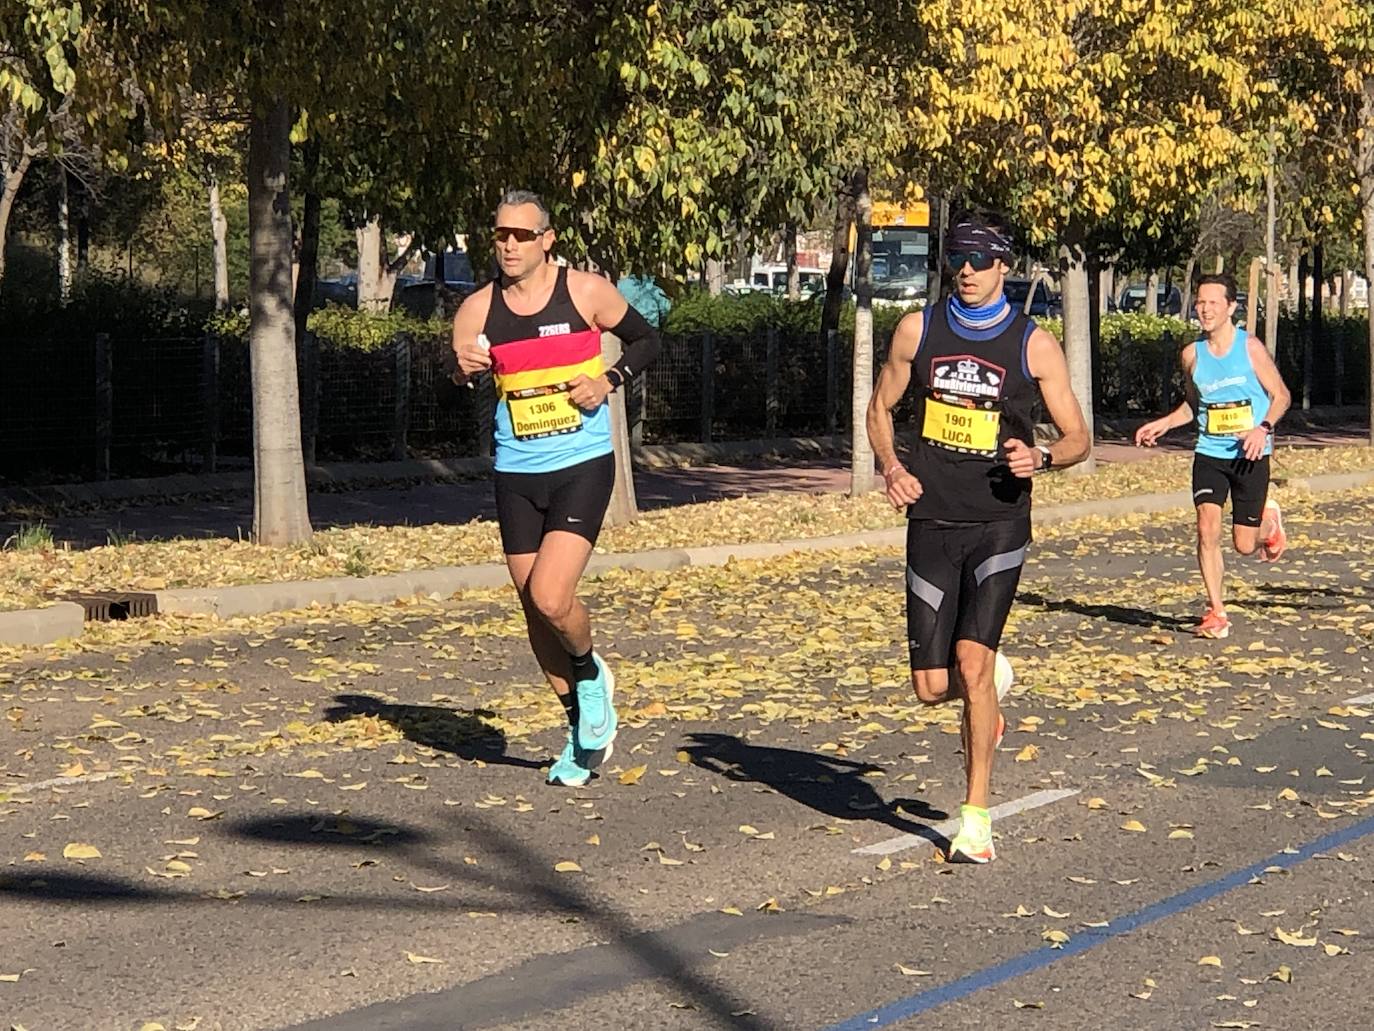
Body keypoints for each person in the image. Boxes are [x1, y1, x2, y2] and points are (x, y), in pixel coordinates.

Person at [866, 215, 1090, 863]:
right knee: (931, 687)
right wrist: (892, 467)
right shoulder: (919, 329)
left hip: (998, 521)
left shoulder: (1033, 344)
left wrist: (1043, 459)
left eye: (978, 260)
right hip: (932, 519)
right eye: (956, 259)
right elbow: (880, 407)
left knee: (970, 660)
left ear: (1003, 267)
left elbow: (1077, 436)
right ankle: (988, 689)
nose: (965, 270)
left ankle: (976, 818)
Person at [451, 190, 660, 786]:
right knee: (535, 612)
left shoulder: (584, 291)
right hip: (517, 471)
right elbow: (459, 375)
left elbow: (649, 341)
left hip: (581, 464)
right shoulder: (478, 309)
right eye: (501, 235)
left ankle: (591, 675)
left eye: (522, 235)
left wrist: (608, 379)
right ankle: (580, 729)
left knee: (551, 594)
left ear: (547, 239)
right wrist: (461, 370)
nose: (510, 246)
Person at [1134, 273, 1291, 639]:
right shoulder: (1192, 355)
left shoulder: (1249, 348)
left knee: (1244, 544)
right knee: (1206, 528)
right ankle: (1216, 611)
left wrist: (1261, 429)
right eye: (1200, 303)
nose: (1204, 310)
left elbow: (1281, 396)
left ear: (1231, 307)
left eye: (1212, 303)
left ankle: (1269, 526)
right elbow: (1193, 405)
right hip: (1210, 452)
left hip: (1250, 452)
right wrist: (1164, 424)